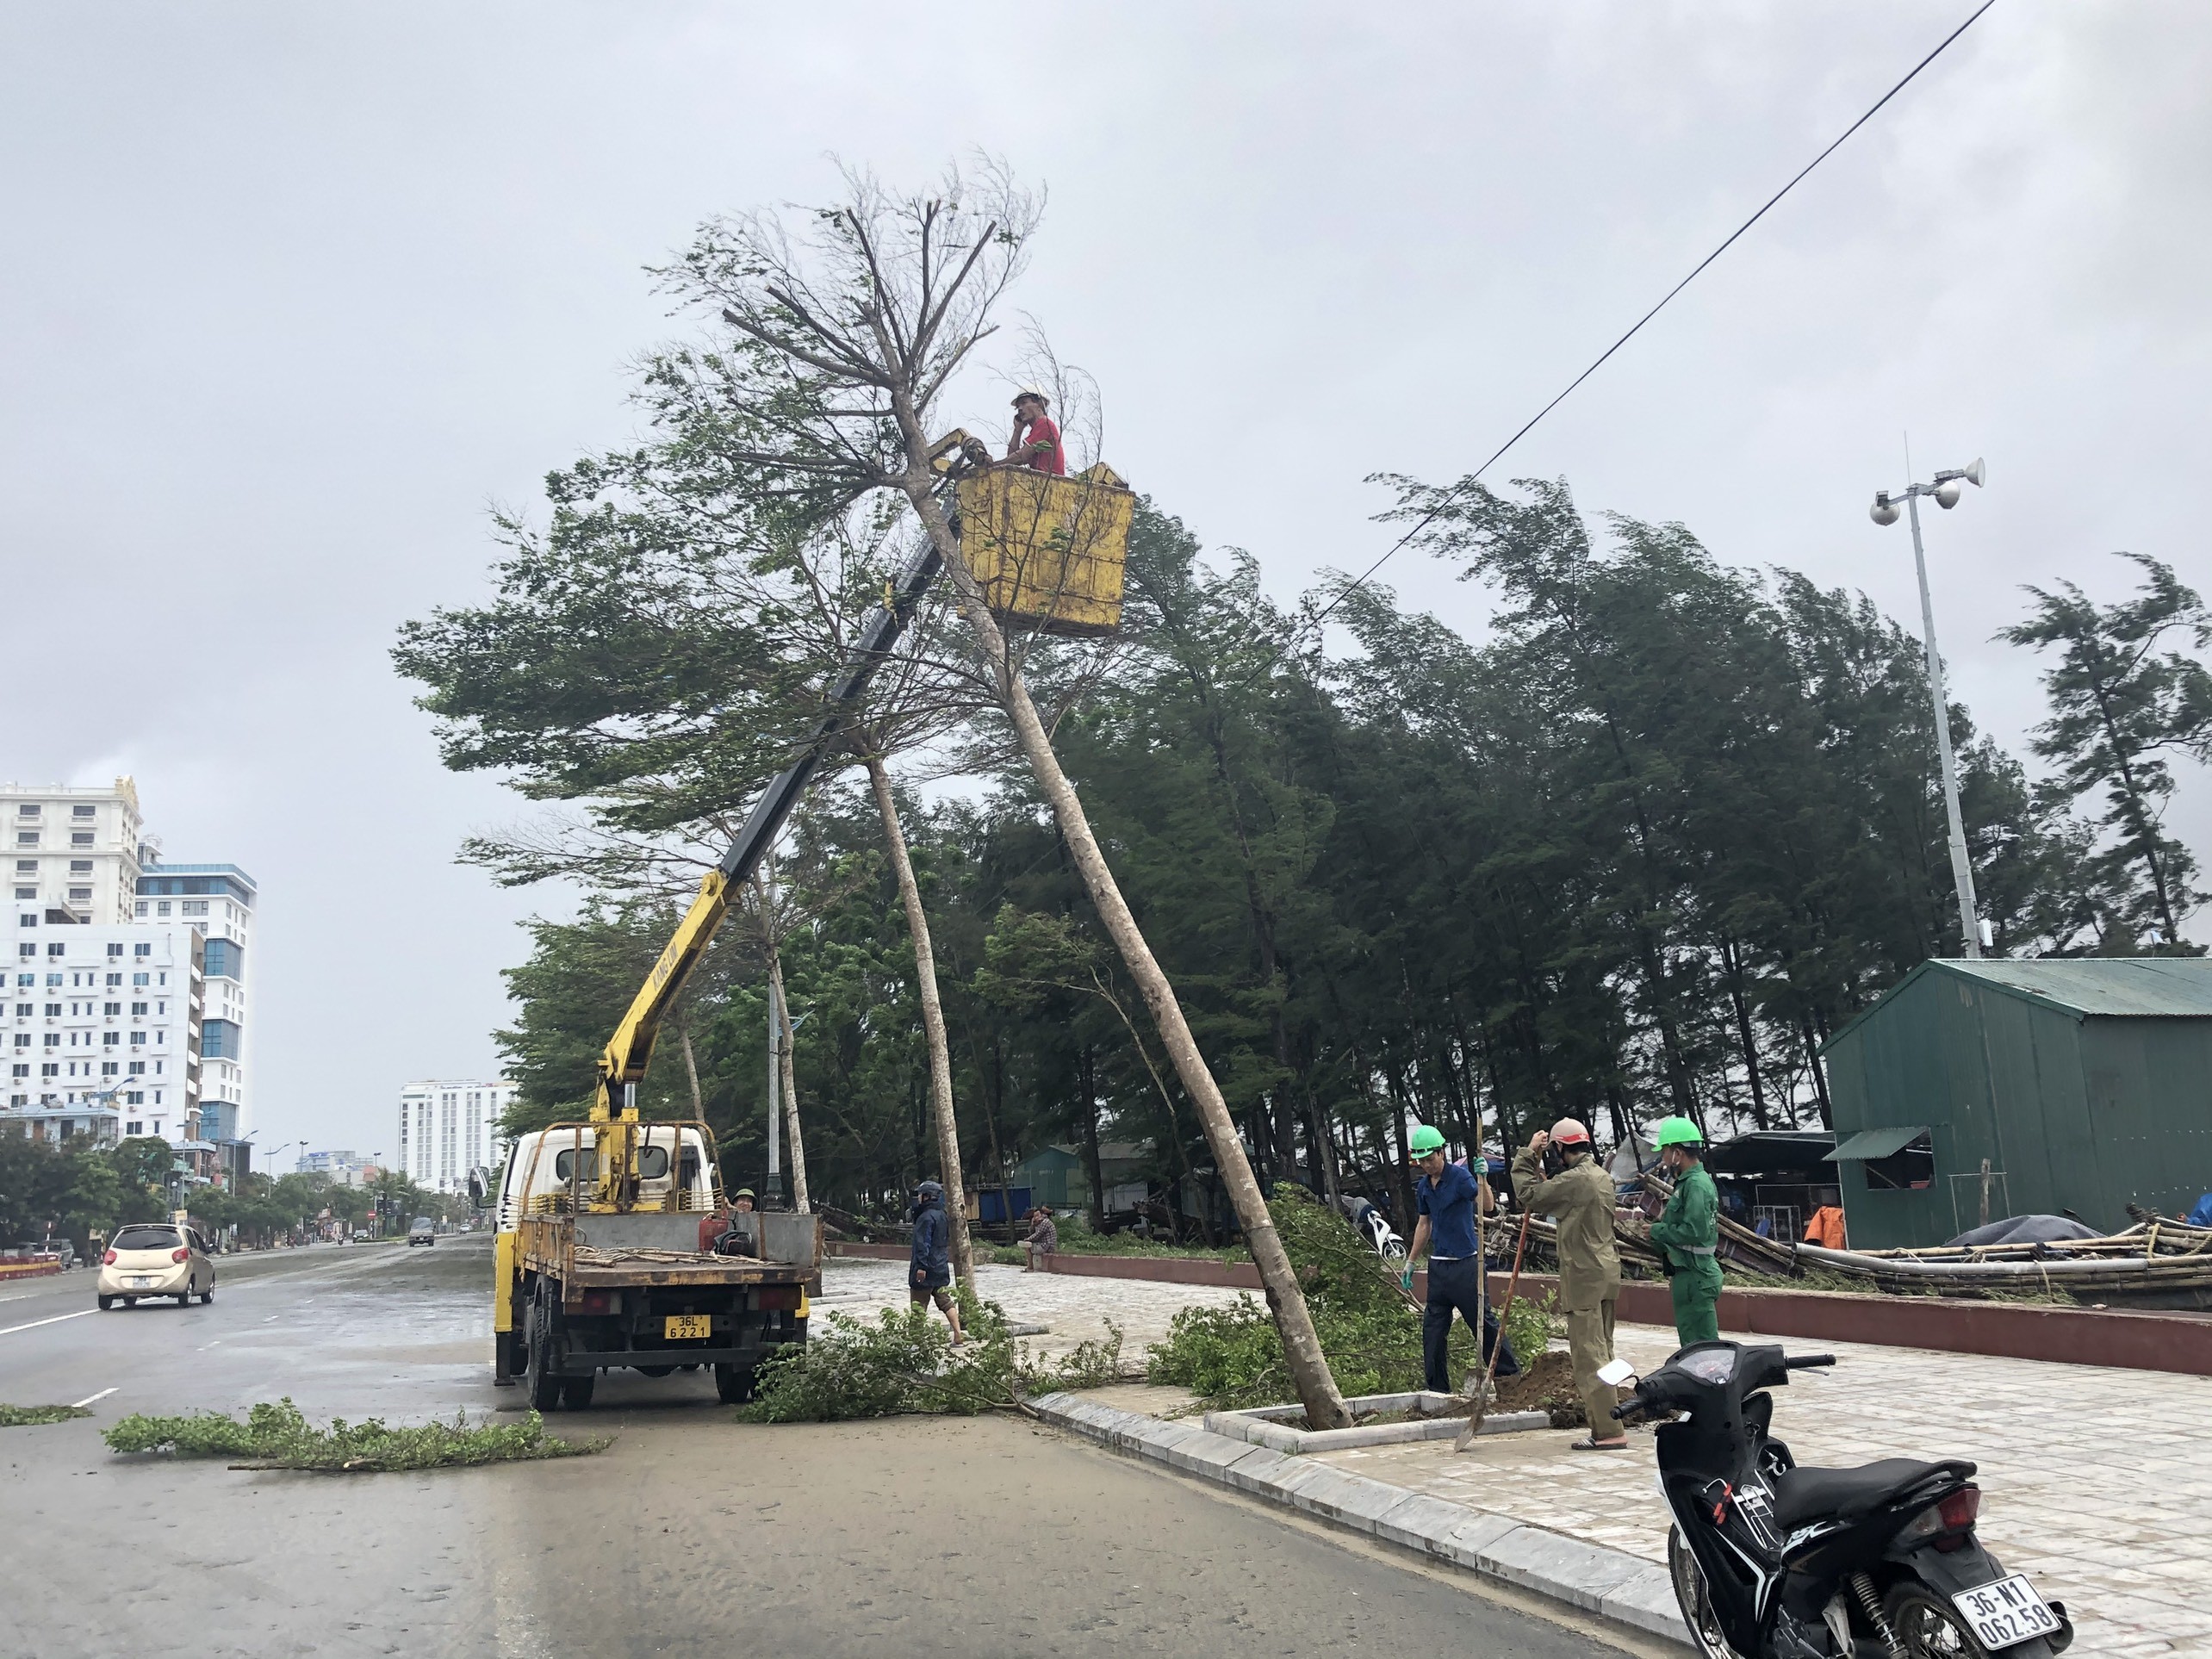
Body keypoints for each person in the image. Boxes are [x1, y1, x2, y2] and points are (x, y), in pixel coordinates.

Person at [1512, 1118, 1625, 1450]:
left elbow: (1528, 1194)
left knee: (1590, 1357)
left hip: (1584, 1277)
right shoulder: (1602, 1176)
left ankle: (1608, 1431)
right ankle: (1615, 1417)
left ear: (1560, 1148)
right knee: (1605, 1349)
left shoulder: (1576, 1180)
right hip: (1607, 1272)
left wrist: (1528, 1155)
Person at [1404, 1124, 1519, 1396]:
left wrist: (1483, 1179)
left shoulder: (1460, 1178)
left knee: (1482, 1322)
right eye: (1421, 1161)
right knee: (1432, 1330)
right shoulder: (1423, 1186)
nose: (1427, 1165)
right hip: (1439, 1268)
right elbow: (1424, 1224)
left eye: (1430, 1159)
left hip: (1466, 1265)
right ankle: (1437, 1388)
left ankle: (1509, 1375)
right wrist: (1410, 1261)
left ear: (1441, 1153)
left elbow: (1487, 1205)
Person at [1645, 1116, 1723, 1349]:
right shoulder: (1689, 1182)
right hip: (1689, 1273)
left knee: (1703, 1348)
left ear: (1678, 1153)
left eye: (1666, 1152)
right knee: (1694, 1345)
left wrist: (1658, 1231)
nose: (1664, 1158)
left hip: (1695, 1275)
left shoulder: (1696, 1185)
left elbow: (1694, 1231)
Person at [909, 1179, 965, 1345]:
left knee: (918, 1306)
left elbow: (922, 1244)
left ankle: (916, 1341)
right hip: (941, 1266)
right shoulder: (942, 1215)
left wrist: (921, 1266)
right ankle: (958, 1334)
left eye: (920, 1195)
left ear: (926, 1197)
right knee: (946, 1302)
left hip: (926, 1267)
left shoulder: (925, 1218)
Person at [1001, 388, 1066, 475]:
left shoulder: (1044, 424)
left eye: (1024, 403)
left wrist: (994, 465)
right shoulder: (1037, 428)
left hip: (1051, 481)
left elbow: (1022, 456)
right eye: (1018, 406)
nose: (1020, 409)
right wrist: (1017, 431)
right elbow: (1012, 457)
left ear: (1039, 404)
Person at [1023, 1206, 1059, 1272]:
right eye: (1035, 1216)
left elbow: (1037, 1235)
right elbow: (1032, 1232)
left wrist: (1027, 1239)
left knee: (1027, 1246)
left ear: (1042, 1215)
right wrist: (1033, 1224)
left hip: (1047, 1246)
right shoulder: (1040, 1223)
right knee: (1028, 1244)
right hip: (1044, 1245)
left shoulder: (1045, 1222)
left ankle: (1030, 1267)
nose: (1036, 1217)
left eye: (1037, 1215)